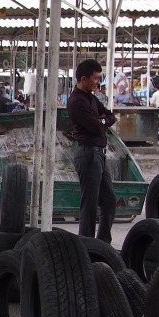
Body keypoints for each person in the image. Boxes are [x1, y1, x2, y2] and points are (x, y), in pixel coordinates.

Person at [67, 59, 117, 244]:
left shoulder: (92, 98)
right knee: (89, 204)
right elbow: (96, 128)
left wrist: (103, 120)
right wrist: (102, 122)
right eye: (95, 78)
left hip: (99, 154)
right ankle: (86, 245)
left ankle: (103, 243)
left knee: (109, 200)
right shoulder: (76, 101)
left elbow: (111, 116)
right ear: (83, 78)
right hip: (88, 154)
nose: (98, 82)